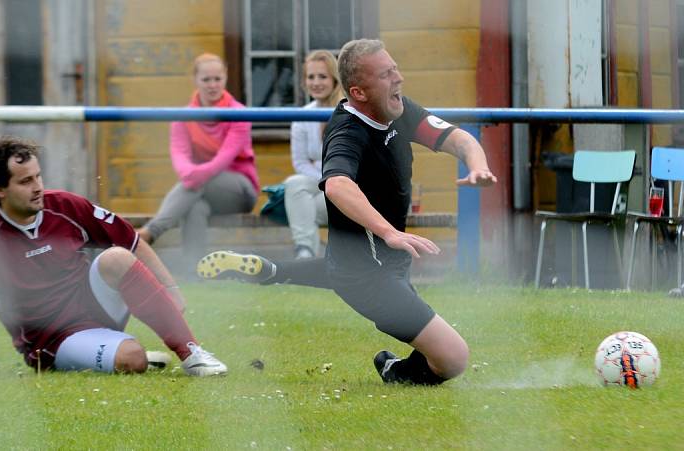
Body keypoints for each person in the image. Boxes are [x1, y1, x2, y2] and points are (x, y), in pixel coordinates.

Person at [197, 39, 497, 386]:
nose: (398, 78)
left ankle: (267, 270)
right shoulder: (346, 131)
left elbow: (458, 138)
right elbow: (337, 185)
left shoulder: (398, 110)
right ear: (359, 92)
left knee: (340, 270)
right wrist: (389, 232)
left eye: (395, 68)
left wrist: (478, 166)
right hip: (369, 278)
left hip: (367, 262)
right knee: (453, 358)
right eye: (386, 74)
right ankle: (392, 370)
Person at [0, 136, 227, 376]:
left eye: (38, 176)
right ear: (0, 190)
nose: (37, 187)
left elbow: (132, 241)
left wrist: (171, 290)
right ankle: (116, 352)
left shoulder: (65, 205)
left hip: (95, 309)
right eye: (24, 181)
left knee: (116, 257)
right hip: (52, 341)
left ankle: (191, 353)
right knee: (133, 359)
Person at [138, 53, 259, 270]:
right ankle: (195, 270)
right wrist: (191, 176)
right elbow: (180, 158)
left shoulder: (239, 113)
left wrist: (193, 176)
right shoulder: (182, 117)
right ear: (195, 80)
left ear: (225, 78)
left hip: (240, 191)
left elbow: (222, 161)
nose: (212, 85)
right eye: (206, 80)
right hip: (198, 190)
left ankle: (151, 232)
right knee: (195, 208)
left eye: (217, 79)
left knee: (197, 185)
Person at [284, 50, 344, 259]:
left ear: (335, 79)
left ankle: (309, 254)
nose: (316, 82)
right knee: (294, 184)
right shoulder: (302, 115)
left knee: (302, 202)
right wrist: (325, 180)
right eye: (311, 77)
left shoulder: (350, 111)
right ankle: (305, 252)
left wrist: (330, 176)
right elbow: (300, 163)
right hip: (321, 186)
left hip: (351, 187)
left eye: (322, 76)